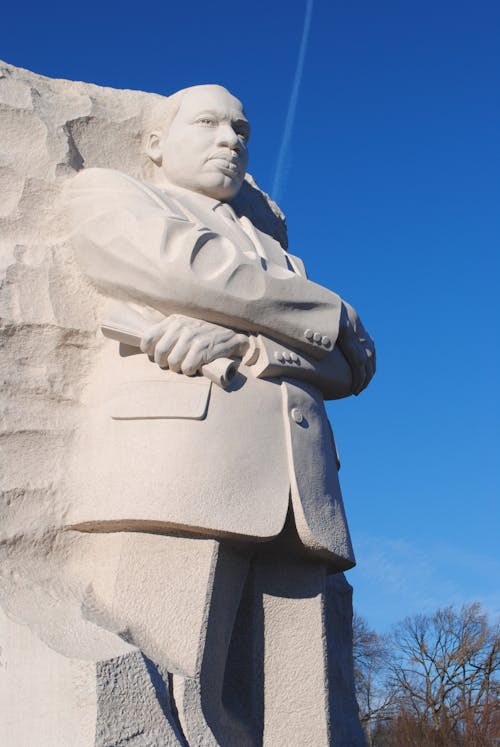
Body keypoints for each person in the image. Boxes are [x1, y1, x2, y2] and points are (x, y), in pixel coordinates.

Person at [65, 84, 375, 746]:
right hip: (180, 471)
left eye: (241, 129)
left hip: (301, 489)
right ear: (153, 143)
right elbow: (192, 273)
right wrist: (331, 313)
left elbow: (353, 367)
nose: (231, 139)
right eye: (208, 123)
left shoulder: (279, 255)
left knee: (306, 719)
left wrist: (249, 343)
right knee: (171, 697)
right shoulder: (113, 196)